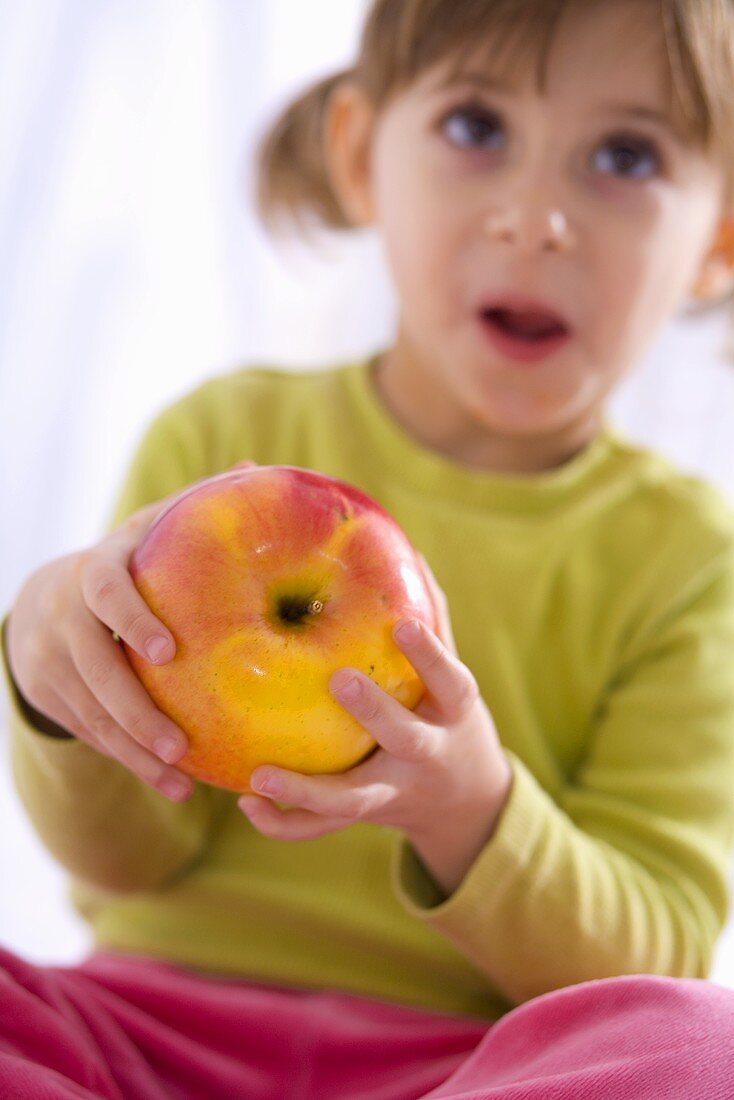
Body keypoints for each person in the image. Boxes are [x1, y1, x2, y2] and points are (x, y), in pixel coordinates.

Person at [3, 0, 734, 1096]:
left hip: (465, 1069)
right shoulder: (219, 451)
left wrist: (470, 807)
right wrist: (49, 673)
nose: (534, 219)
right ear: (359, 155)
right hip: (140, 1034)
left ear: (718, 240)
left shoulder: (688, 560)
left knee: (704, 1047)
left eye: (623, 155)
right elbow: (122, 857)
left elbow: (653, 954)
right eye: (475, 128)